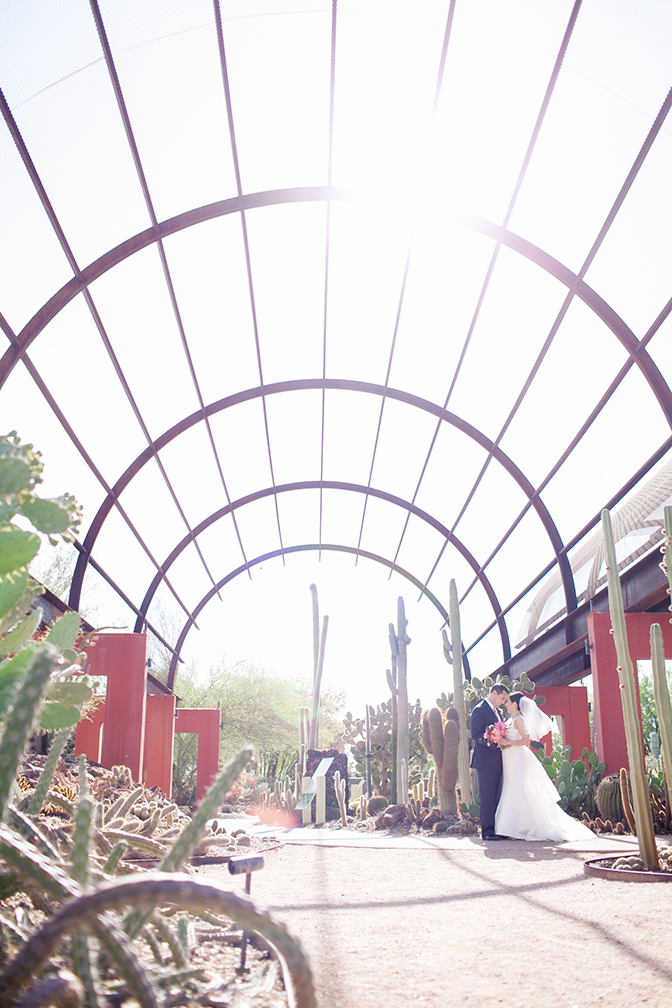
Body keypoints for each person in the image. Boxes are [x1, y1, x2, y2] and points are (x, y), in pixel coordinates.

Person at [495, 692, 594, 842]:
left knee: (516, 787)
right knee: (510, 786)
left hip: (517, 757)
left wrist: (507, 743)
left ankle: (522, 827)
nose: (506, 704)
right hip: (509, 758)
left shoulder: (519, 720)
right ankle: (510, 827)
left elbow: (526, 741)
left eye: (508, 702)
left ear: (515, 704)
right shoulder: (509, 720)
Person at [470, 683, 510, 840]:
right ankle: (487, 832)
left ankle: (498, 829)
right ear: (494, 693)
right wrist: (493, 741)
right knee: (487, 797)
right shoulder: (479, 710)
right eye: (501, 698)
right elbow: (476, 734)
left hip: (498, 761)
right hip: (485, 761)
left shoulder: (497, 712)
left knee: (497, 796)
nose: (502, 702)